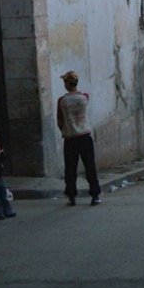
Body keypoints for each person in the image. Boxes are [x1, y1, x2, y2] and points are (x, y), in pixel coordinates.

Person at [57, 70, 102, 206]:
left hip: (71, 138)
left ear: (66, 83)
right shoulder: (84, 97)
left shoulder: (62, 101)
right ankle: (95, 194)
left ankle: (71, 196)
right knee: (90, 166)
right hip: (85, 136)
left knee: (70, 168)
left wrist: (66, 129)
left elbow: (60, 121)